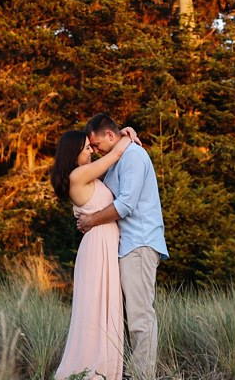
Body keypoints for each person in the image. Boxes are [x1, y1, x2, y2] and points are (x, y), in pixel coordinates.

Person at [77, 113, 168, 380]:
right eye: (90, 147)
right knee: (129, 317)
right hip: (126, 246)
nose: (94, 150)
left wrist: (92, 220)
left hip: (139, 243)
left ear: (109, 135)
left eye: (95, 145)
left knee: (140, 316)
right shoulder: (118, 158)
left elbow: (126, 205)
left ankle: (142, 376)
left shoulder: (134, 157)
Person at [50, 128, 135, 380]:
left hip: (103, 243)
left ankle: (104, 369)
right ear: (73, 152)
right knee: (97, 308)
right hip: (98, 246)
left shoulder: (86, 176)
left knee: (104, 306)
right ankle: (93, 370)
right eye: (87, 147)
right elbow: (116, 154)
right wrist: (126, 134)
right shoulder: (78, 175)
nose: (91, 150)